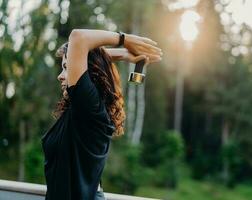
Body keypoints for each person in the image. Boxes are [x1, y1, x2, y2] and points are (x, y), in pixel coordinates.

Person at [41, 29, 162, 200]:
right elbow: (89, 54)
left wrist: (124, 39)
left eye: (66, 67)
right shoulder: (85, 110)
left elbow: (78, 37)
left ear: (87, 71)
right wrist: (125, 54)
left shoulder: (88, 108)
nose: (60, 76)